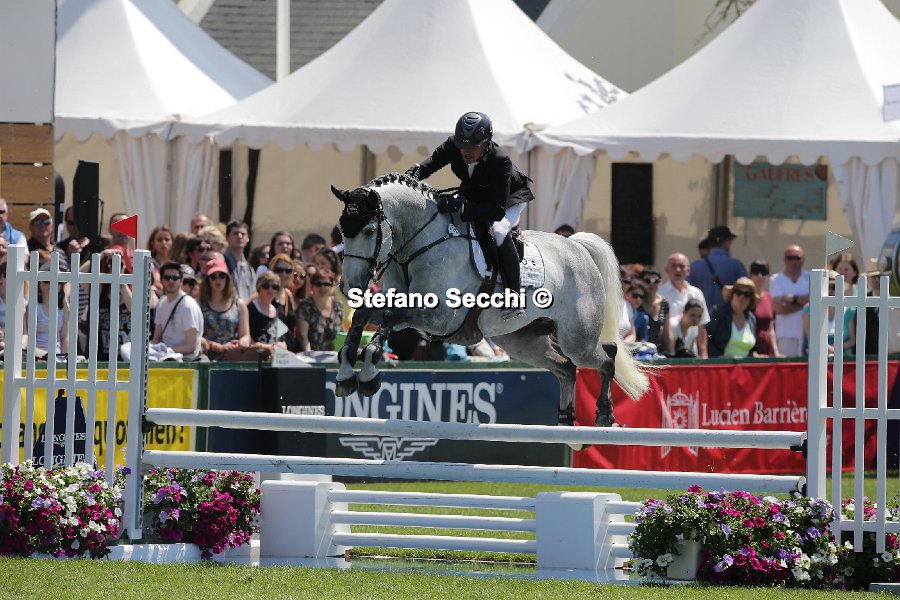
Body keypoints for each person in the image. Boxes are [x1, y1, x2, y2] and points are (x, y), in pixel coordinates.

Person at [405, 111, 534, 318]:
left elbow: (496, 209)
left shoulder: (500, 160)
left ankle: (515, 297)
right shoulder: (453, 145)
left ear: (486, 143)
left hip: (508, 198)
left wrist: (463, 208)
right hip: (475, 191)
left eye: (473, 146)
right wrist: (412, 175)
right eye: (462, 145)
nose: (466, 151)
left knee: (499, 231)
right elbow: (431, 164)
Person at [199, 257, 253, 361]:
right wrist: (214, 345)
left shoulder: (239, 304)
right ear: (207, 280)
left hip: (232, 357)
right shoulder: (199, 304)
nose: (218, 280)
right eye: (213, 277)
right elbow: (195, 336)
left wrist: (241, 342)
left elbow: (246, 336)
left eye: (222, 276)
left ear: (227, 278)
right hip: (206, 358)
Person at [659, 252, 710, 358]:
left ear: (688, 270)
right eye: (674, 266)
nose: (678, 270)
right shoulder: (659, 293)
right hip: (666, 355)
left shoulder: (697, 293)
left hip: (690, 355)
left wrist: (704, 355)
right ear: (667, 270)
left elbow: (701, 328)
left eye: (682, 266)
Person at [688, 225, 747, 312]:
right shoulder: (737, 266)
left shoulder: (693, 267)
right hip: (727, 318)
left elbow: (686, 295)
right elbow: (746, 294)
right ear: (727, 242)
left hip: (701, 318)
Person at [152, 261, 204, 361]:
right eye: (167, 278)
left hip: (185, 360)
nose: (171, 281)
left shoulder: (188, 305)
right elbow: (156, 339)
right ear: (161, 280)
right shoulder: (162, 303)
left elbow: (191, 347)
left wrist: (167, 350)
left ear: (181, 281)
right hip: (164, 358)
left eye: (175, 278)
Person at [802, 270, 855, 358]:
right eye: (827, 287)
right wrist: (826, 348)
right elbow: (810, 336)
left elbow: (852, 339)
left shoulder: (848, 310)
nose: (830, 291)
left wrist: (835, 349)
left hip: (843, 357)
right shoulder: (809, 309)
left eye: (834, 287)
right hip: (816, 357)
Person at [770, 244, 810, 357]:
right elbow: (778, 309)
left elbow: (815, 300)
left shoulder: (811, 277)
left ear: (803, 260)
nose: (793, 261)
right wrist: (805, 304)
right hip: (785, 334)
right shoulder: (776, 279)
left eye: (797, 257)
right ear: (784, 260)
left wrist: (790, 299)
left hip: (809, 334)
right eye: (790, 257)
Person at [707, 276, 759, 358]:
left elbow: (752, 349)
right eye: (738, 293)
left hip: (744, 365)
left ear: (750, 300)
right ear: (732, 295)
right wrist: (719, 358)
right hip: (721, 364)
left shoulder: (751, 318)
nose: (742, 297)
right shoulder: (718, 313)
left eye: (747, 295)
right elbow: (706, 338)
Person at [28, 261, 71, 358]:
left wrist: (65, 360)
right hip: (36, 359)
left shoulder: (64, 306)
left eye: (57, 281)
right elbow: (29, 339)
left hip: (59, 358)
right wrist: (42, 356)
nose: (52, 284)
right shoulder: (32, 306)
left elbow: (65, 337)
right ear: (39, 283)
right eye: (47, 280)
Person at [296, 269, 343, 352]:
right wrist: (309, 356)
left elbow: (341, 333)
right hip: (313, 355)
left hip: (334, 355)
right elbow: (303, 337)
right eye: (318, 284)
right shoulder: (305, 306)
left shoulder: (337, 305)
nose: (322, 287)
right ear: (312, 286)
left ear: (332, 286)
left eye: (326, 284)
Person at [246, 271, 289, 358]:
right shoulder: (250, 309)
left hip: (275, 358)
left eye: (274, 287)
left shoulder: (277, 311)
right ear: (259, 288)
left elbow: (282, 340)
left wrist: (282, 346)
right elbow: (249, 341)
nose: (270, 290)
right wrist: (269, 347)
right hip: (256, 359)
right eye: (266, 286)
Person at [267, 252, 301, 352]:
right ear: (272, 271)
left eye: (288, 271)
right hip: (273, 349)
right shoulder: (265, 293)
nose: (284, 274)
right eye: (279, 270)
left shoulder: (288, 294)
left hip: (290, 349)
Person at [635, 268, 673, 355]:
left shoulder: (664, 303)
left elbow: (667, 333)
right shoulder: (637, 301)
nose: (651, 284)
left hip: (657, 352)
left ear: (660, 282)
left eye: (655, 281)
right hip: (638, 351)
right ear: (641, 282)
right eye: (647, 280)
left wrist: (672, 353)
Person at [748, 259, 780, 357]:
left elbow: (771, 328)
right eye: (756, 272)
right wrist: (752, 352)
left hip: (766, 349)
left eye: (763, 272)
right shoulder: (746, 297)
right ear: (750, 275)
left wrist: (776, 352)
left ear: (768, 276)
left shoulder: (768, 297)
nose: (759, 276)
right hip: (751, 350)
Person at [223, 220, 255, 301]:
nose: (240, 236)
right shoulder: (222, 262)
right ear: (227, 237)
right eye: (235, 233)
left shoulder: (249, 267)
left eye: (243, 234)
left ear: (248, 238)